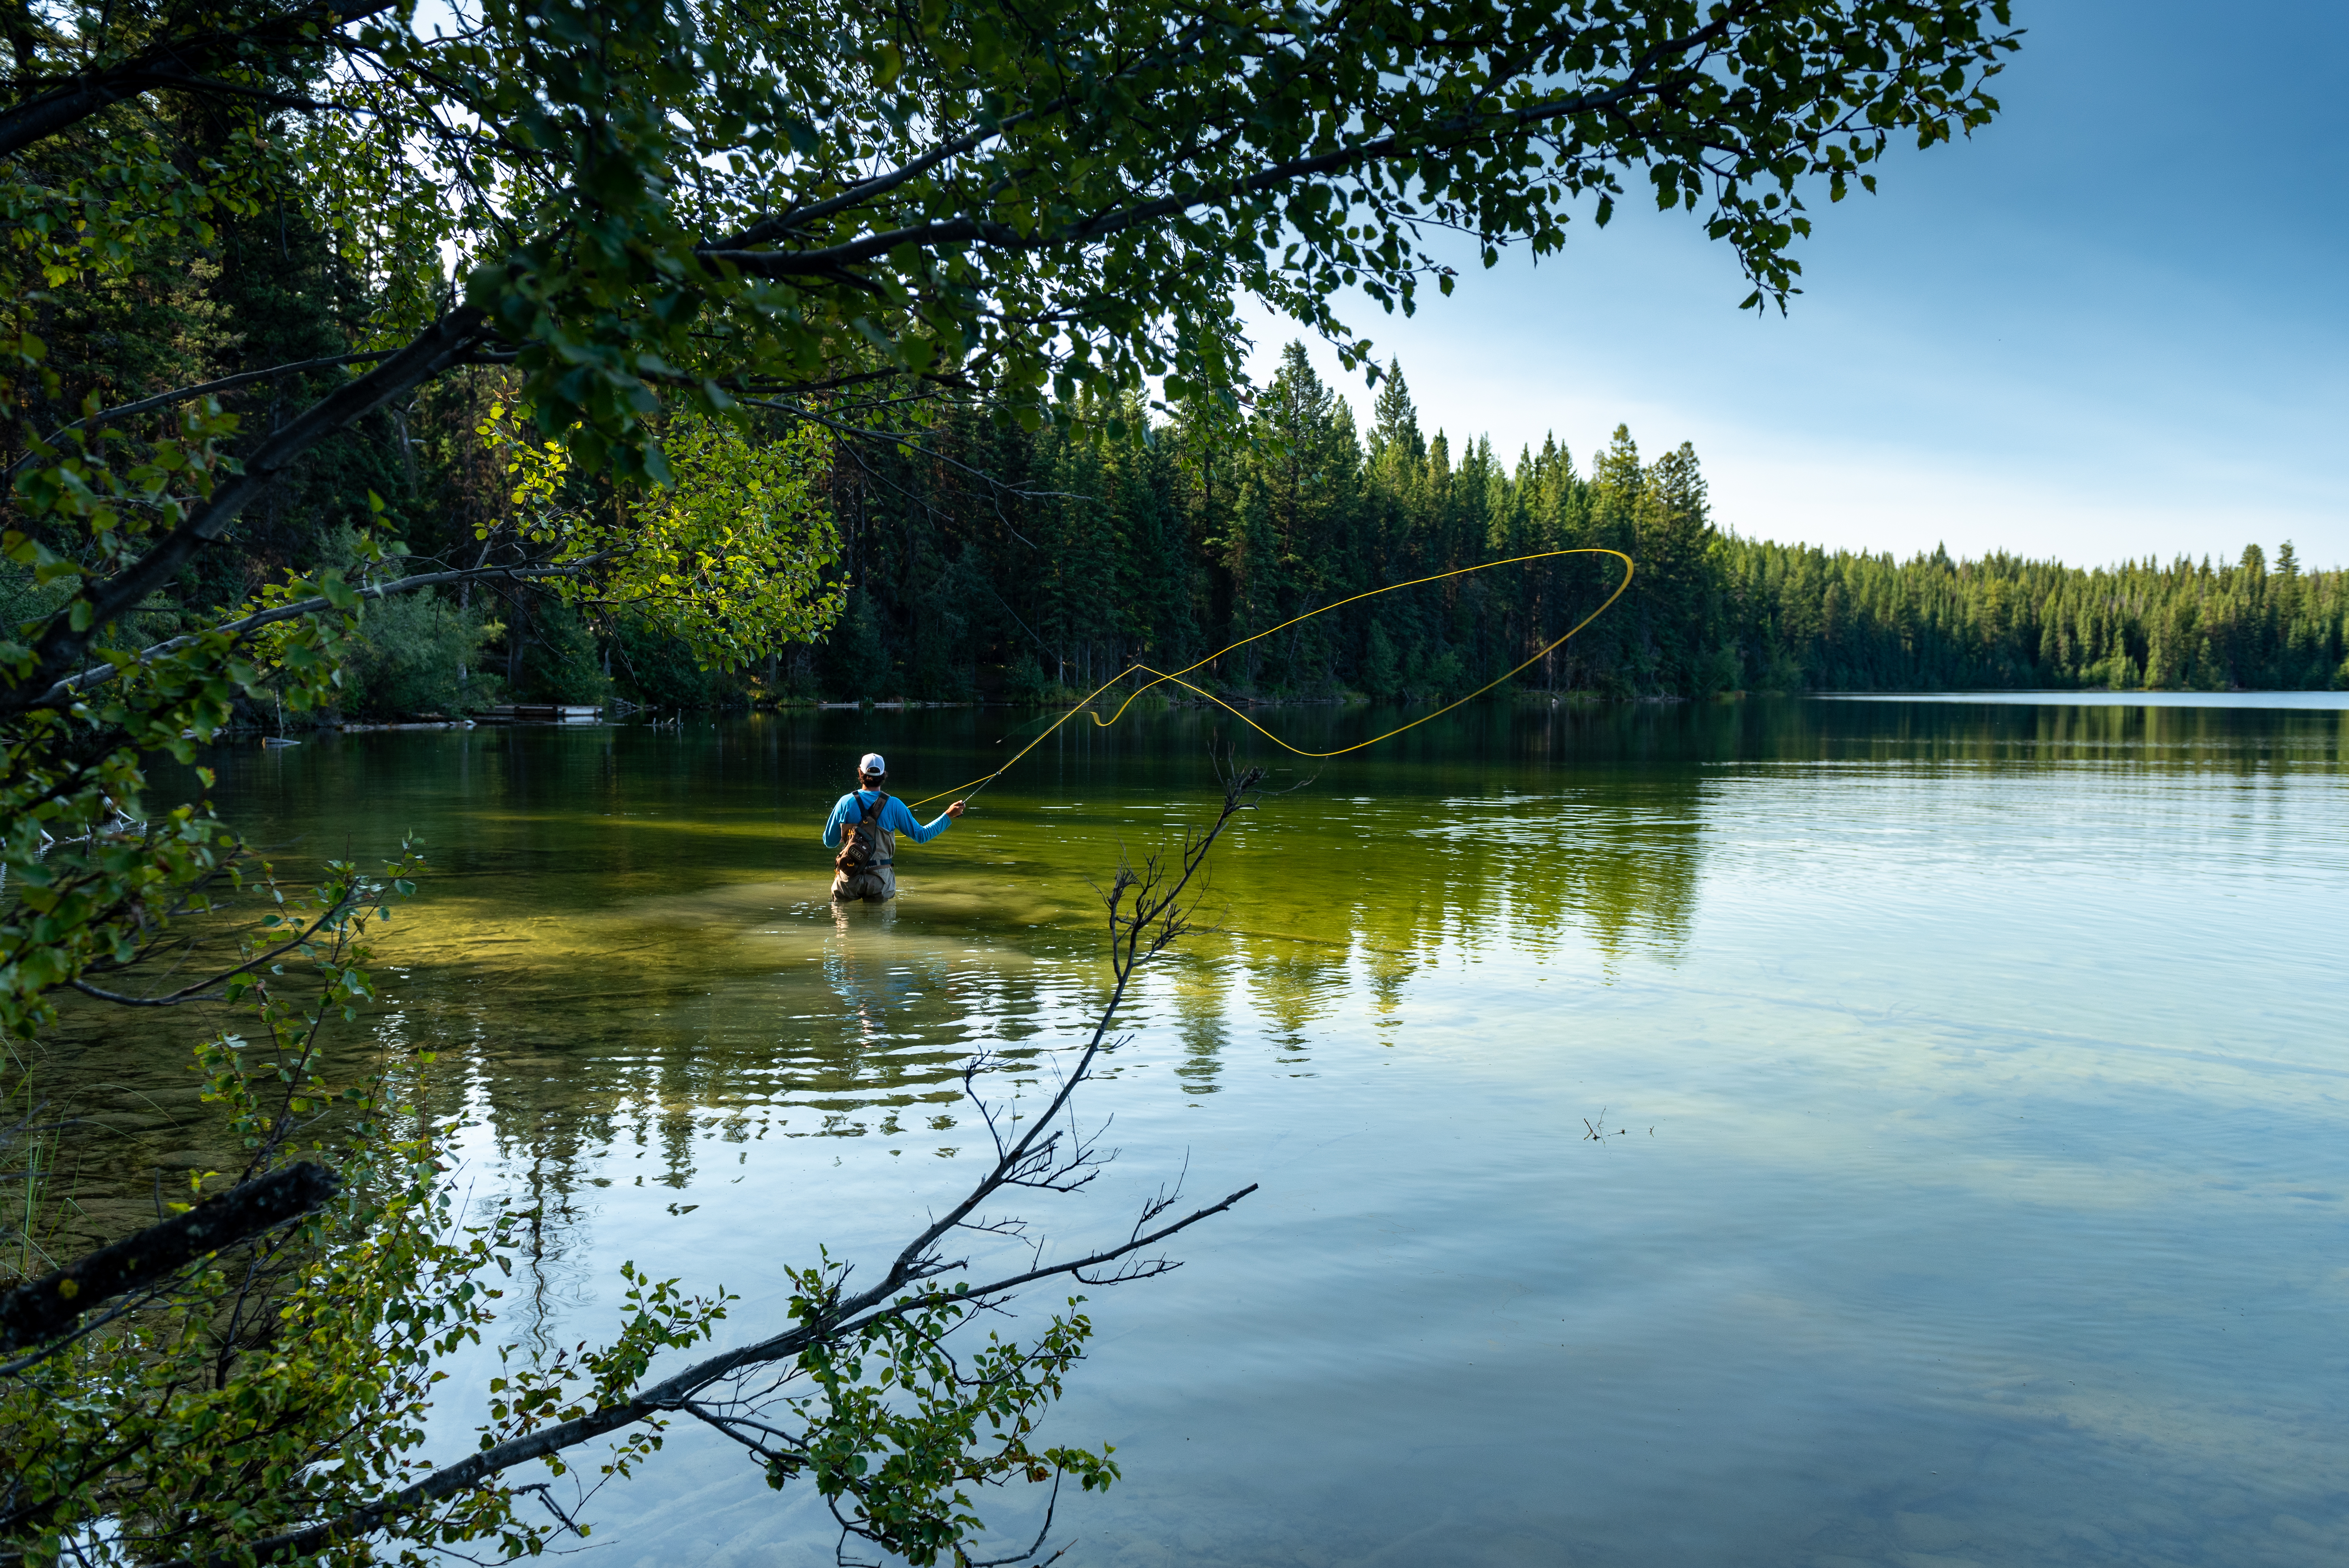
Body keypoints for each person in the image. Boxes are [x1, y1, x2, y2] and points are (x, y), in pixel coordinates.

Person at [821, 752, 965, 902]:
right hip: (880, 881)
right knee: (880, 923)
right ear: (884, 775)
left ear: (860, 773)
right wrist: (948, 815)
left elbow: (829, 842)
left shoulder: (845, 802)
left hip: (849, 877)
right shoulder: (894, 804)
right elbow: (922, 836)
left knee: (845, 923)